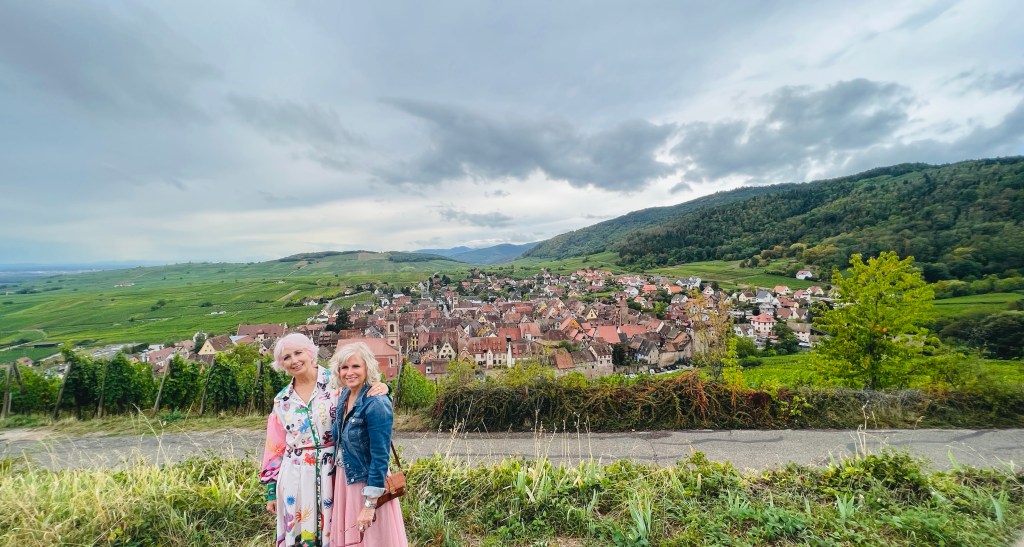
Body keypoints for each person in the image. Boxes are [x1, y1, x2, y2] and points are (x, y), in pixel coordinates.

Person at [260, 333, 388, 547]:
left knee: (337, 531)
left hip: (335, 473)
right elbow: (275, 447)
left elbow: (368, 400)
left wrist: (384, 388)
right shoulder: (282, 400)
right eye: (286, 357)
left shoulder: (337, 383)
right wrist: (271, 491)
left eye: (298, 353)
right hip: (295, 477)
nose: (294, 360)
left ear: (310, 353)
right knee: (302, 533)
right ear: (281, 364)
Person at [330, 342, 408, 546]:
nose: (349, 372)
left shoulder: (377, 403)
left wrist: (370, 503)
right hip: (346, 480)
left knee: (371, 540)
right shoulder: (344, 396)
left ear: (367, 368)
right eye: (344, 367)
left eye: (356, 366)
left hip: (367, 484)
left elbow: (380, 456)